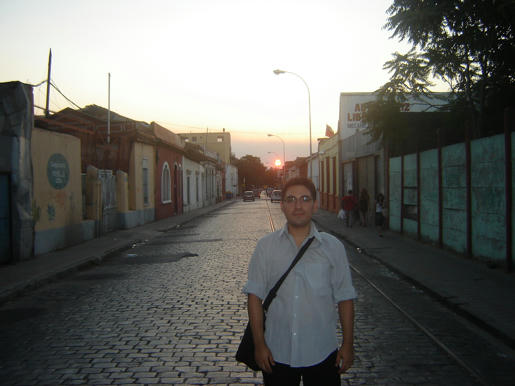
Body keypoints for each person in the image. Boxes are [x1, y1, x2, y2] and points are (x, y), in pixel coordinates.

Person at [243, 177, 356, 386]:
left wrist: (348, 344)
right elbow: (254, 297)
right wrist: (259, 344)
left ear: (315, 205)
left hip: (323, 351)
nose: (298, 206)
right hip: (277, 353)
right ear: (282, 205)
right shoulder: (265, 247)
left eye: (305, 199)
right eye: (291, 199)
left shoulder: (333, 248)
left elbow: (345, 297)